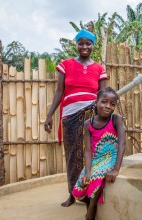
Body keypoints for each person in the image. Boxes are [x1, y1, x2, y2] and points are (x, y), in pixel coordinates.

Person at [44, 29, 108, 207]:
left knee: (91, 154)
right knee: (72, 155)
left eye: (88, 43)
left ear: (93, 45)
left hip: (92, 117)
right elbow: (59, 91)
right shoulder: (65, 65)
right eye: (81, 43)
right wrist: (49, 115)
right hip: (70, 116)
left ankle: (90, 193)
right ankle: (72, 193)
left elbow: (102, 95)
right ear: (76, 44)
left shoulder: (99, 69)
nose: (85, 46)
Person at [72, 87, 126, 220]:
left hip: (110, 158)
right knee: (78, 189)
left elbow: (122, 144)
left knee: (95, 181)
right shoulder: (88, 124)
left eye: (112, 104)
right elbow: (88, 151)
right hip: (96, 159)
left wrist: (115, 169)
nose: (108, 106)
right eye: (104, 102)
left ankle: (91, 212)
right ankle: (89, 203)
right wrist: (88, 172)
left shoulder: (116, 119)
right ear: (96, 102)